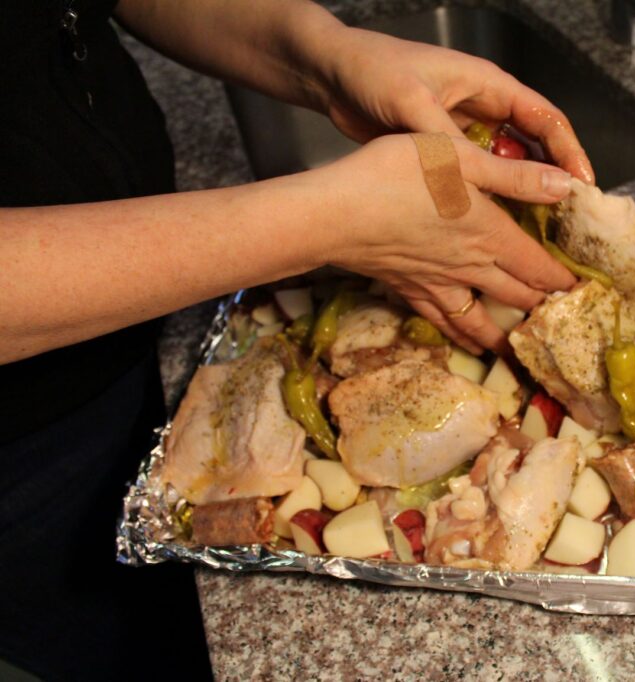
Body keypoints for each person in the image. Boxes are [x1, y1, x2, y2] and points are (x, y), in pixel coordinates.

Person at [0, 0, 593, 679]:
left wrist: (323, 54)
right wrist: (324, 223)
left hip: (147, 300)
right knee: (145, 652)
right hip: (27, 443)